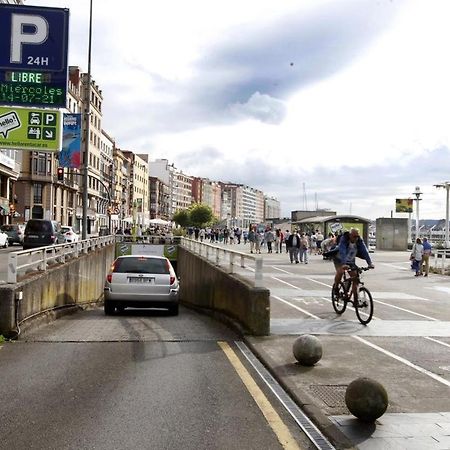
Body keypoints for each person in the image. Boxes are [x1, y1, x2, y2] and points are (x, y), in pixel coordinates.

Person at [333, 228, 374, 300]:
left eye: (357, 236)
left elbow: (364, 251)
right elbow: (342, 251)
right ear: (350, 235)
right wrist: (343, 263)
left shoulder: (359, 241)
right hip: (339, 259)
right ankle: (336, 287)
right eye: (354, 236)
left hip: (350, 260)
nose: (356, 238)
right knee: (341, 271)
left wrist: (369, 263)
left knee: (355, 277)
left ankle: (355, 300)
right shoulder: (344, 239)